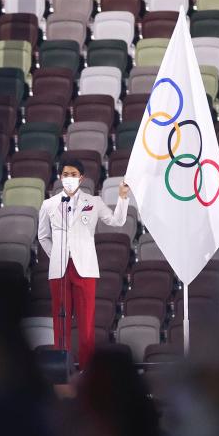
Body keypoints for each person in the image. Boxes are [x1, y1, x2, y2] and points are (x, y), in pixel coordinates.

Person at [38, 158, 130, 370]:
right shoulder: (49, 204)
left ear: (82, 178)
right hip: (59, 270)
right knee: (60, 323)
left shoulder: (93, 202)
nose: (69, 178)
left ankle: (88, 371)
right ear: (60, 177)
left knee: (86, 324)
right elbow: (43, 237)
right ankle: (62, 369)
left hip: (85, 269)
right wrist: (56, 256)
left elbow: (117, 221)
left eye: (73, 174)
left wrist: (123, 197)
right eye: (65, 174)